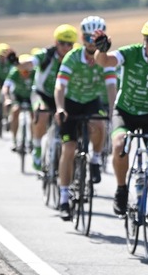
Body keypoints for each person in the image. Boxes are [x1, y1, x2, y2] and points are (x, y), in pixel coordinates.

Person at [92, 18, 148, 235]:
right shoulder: (131, 53)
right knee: (120, 145)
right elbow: (104, 62)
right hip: (126, 111)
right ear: (144, 40)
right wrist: (101, 50)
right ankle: (121, 189)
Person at [53, 16, 118, 221]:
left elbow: (110, 86)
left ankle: (96, 159)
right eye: (88, 36)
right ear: (82, 37)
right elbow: (60, 85)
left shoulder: (105, 59)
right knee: (69, 149)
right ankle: (64, 197)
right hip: (71, 103)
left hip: (92, 101)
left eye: (95, 36)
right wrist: (60, 107)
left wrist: (113, 109)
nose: (91, 41)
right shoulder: (72, 57)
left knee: (99, 123)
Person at [17, 24, 78, 171]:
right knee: (42, 113)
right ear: (56, 42)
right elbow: (30, 63)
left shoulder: (75, 57)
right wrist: (16, 62)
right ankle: (37, 148)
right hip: (42, 94)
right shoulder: (46, 54)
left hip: (63, 96)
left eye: (69, 44)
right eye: (62, 43)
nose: (66, 47)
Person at [2, 54, 35, 151]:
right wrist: (7, 99)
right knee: (15, 111)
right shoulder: (14, 72)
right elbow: (6, 87)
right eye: (22, 71)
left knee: (34, 115)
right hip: (18, 96)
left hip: (31, 97)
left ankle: (32, 141)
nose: (25, 74)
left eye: (27, 71)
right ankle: (14, 140)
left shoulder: (35, 72)